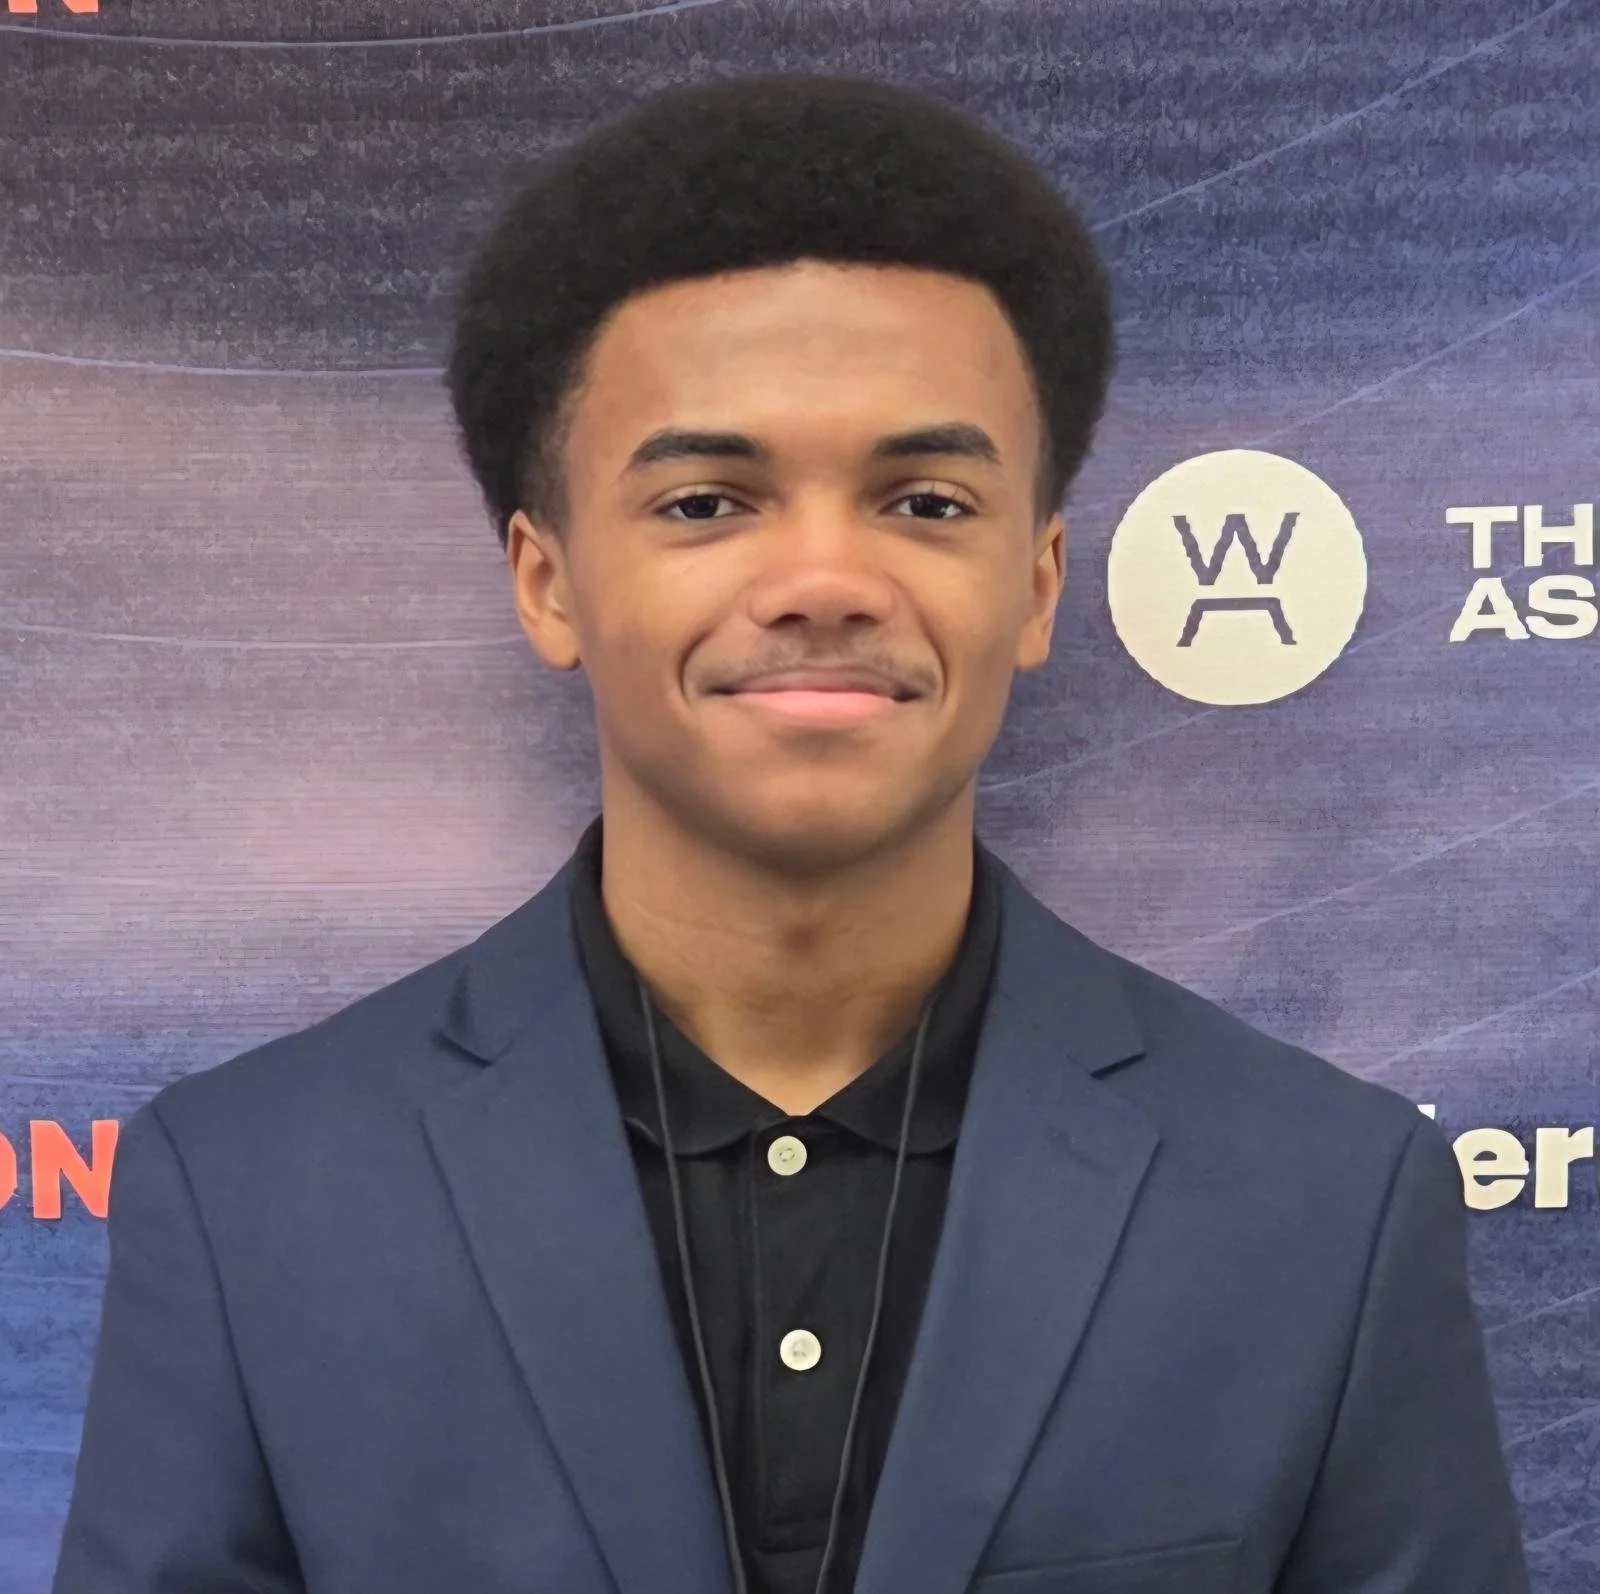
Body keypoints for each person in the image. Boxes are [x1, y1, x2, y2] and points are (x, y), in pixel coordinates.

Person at [53, 73, 1528, 1594]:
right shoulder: (249, 1192)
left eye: (925, 501)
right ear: (547, 580)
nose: (824, 576)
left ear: (1034, 584)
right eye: (707, 502)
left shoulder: (1328, 1201)